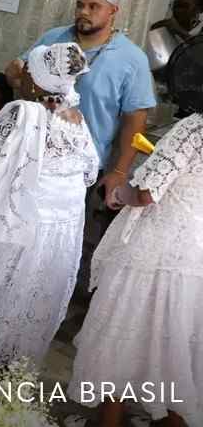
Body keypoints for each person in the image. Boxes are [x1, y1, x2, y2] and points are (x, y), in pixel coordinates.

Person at [0, 43, 98, 366]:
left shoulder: (21, 112)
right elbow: (89, 172)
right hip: (52, 232)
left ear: (37, 83)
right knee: (14, 295)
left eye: (27, 71)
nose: (20, 75)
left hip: (13, 222)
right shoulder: (76, 119)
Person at [5, 0, 155, 284]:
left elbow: (135, 120)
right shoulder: (53, 38)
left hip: (80, 169)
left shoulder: (131, 59)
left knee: (57, 241)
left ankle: (42, 294)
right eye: (80, 5)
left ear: (113, 11)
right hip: (31, 153)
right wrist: (19, 75)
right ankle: (7, 284)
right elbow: (17, 72)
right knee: (14, 227)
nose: (83, 12)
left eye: (93, 6)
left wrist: (119, 172)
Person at [69, 107, 203, 427]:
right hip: (195, 256)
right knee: (180, 346)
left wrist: (119, 192)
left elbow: (146, 193)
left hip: (155, 250)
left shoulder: (193, 128)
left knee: (124, 336)